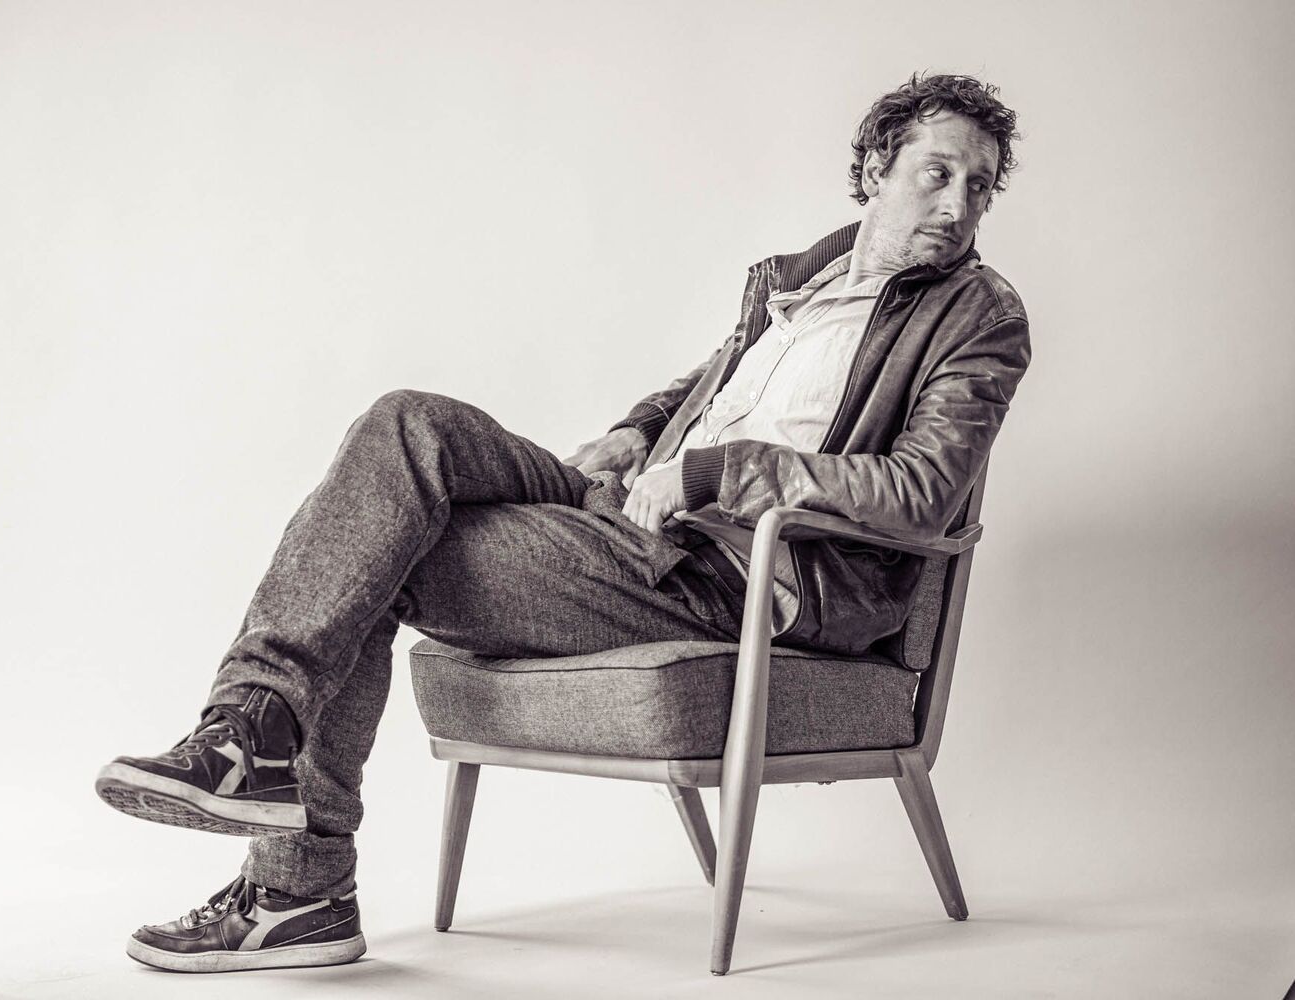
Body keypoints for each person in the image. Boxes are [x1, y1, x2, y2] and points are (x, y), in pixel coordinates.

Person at [94, 70, 1031, 973]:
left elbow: (922, 490)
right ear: (875, 168)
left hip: (732, 571)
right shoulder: (803, 281)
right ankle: (250, 732)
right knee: (406, 423)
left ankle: (291, 870)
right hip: (627, 516)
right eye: (936, 172)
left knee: (377, 548)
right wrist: (636, 433)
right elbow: (710, 389)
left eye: (979, 186)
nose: (958, 205)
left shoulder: (977, 314)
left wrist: (718, 473)